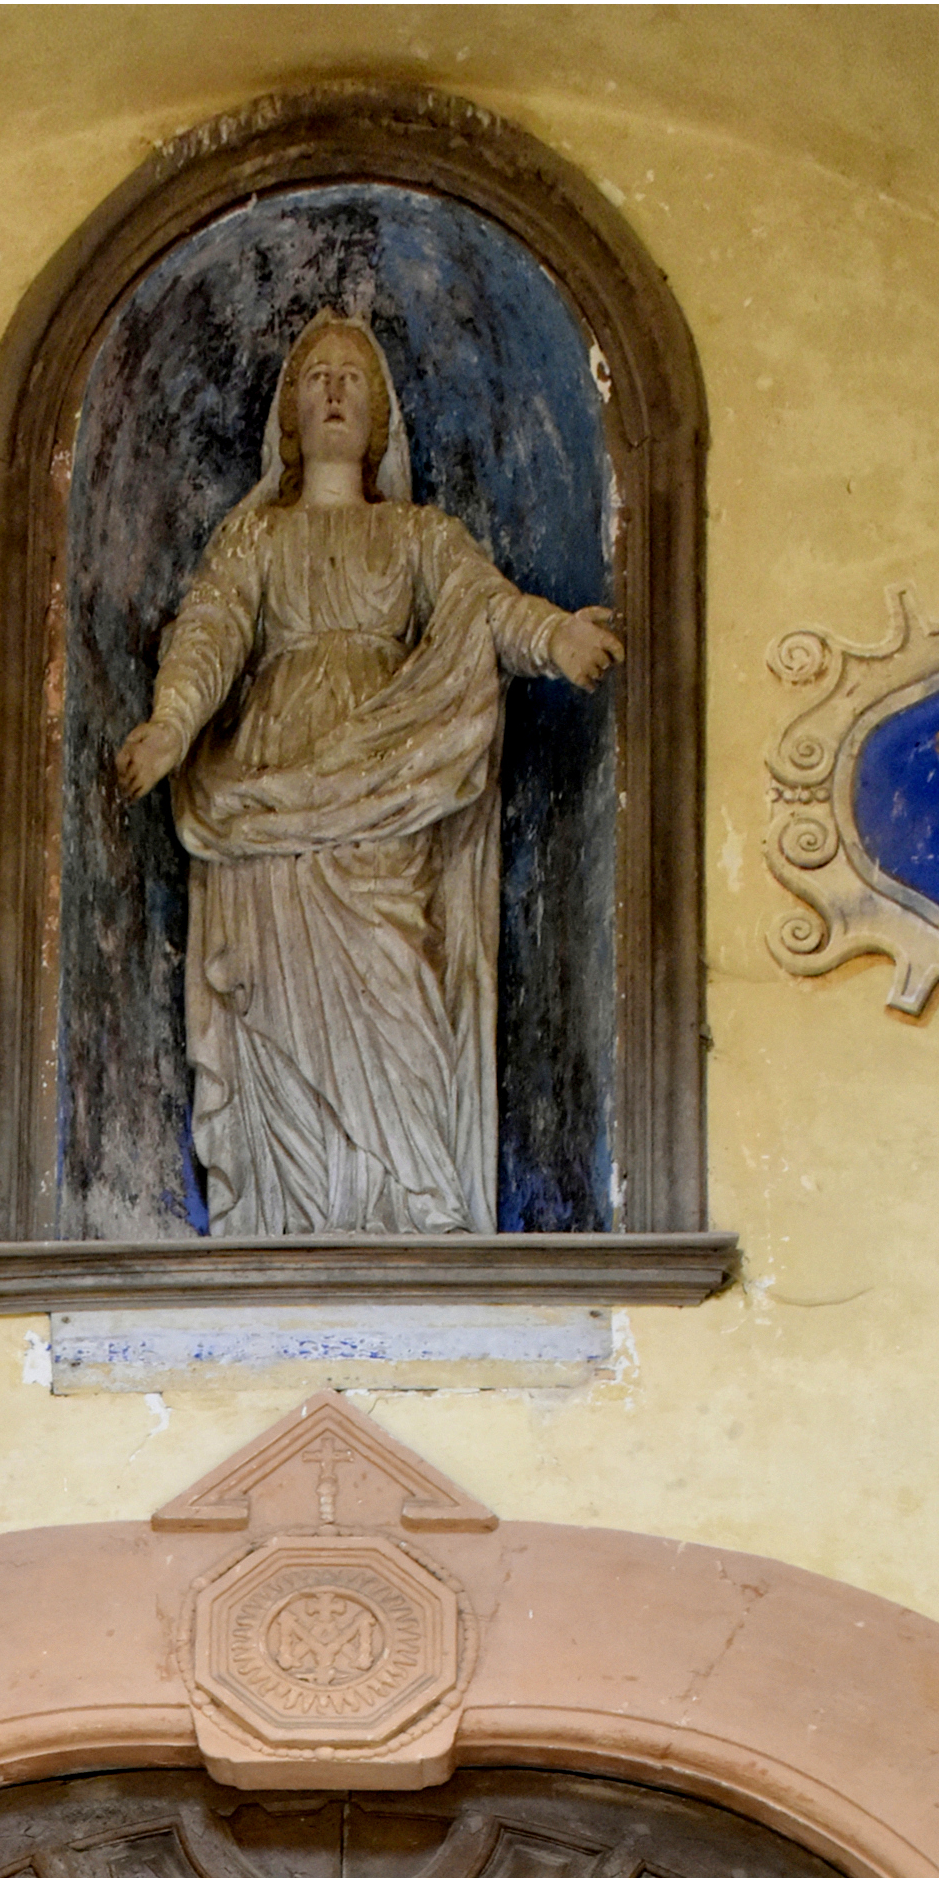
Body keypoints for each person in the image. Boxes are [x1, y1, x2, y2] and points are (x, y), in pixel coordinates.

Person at [113, 311, 622, 1237]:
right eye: (315, 379)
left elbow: (485, 608)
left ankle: (412, 1197)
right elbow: (212, 629)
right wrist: (172, 724)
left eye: (353, 377)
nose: (335, 391)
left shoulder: (420, 535)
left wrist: (557, 638)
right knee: (266, 989)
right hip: (266, 782)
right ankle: (282, 1208)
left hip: (389, 773)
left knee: (397, 978)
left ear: (380, 413)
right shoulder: (256, 541)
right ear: (289, 416)